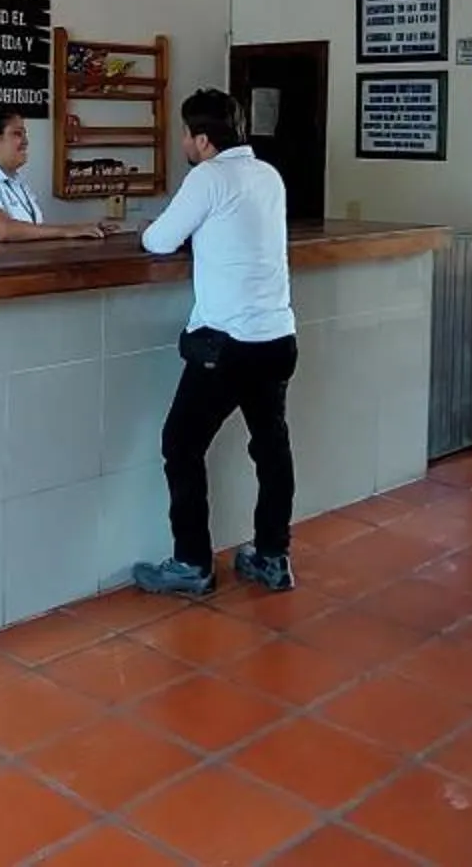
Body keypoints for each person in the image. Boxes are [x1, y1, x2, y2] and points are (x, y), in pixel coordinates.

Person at [130, 88, 298, 596]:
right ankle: (273, 556)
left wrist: (158, 229)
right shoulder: (268, 174)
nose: (182, 141)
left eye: (185, 133)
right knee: (271, 449)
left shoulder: (209, 177)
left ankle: (192, 563)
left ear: (202, 140)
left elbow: (158, 240)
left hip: (225, 345)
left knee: (180, 445)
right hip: (277, 337)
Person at [0, 108, 108, 246]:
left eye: (25, 134)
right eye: (17, 134)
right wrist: (68, 231)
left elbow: (32, 229)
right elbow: (3, 231)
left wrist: (83, 230)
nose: (26, 141)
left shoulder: (16, 180)